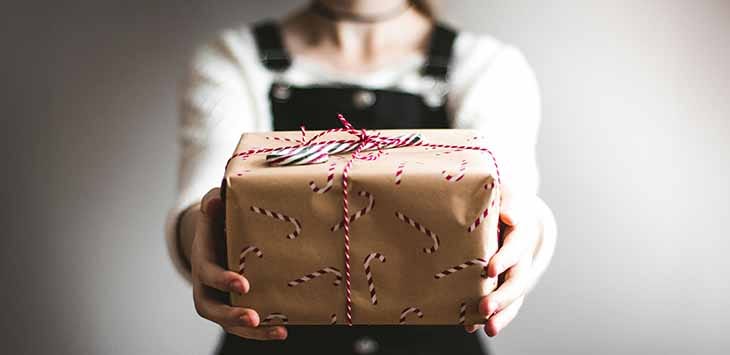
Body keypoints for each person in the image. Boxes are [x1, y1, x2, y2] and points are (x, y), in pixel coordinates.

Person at [165, 1, 557, 354]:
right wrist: (203, 234)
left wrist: (527, 232)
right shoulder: (234, 59)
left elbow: (511, 194)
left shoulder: (485, 64)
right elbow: (202, 199)